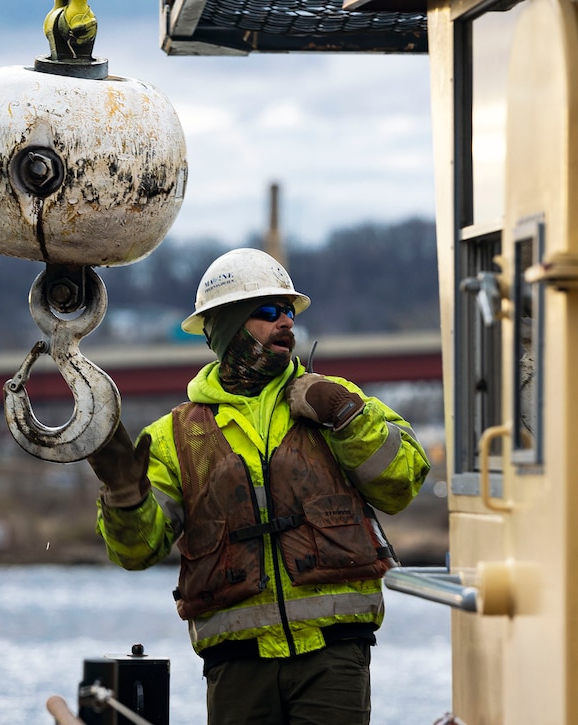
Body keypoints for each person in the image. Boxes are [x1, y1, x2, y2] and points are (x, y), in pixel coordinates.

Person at [87, 248, 431, 724]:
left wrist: (348, 415)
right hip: (237, 667)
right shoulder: (172, 438)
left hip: (333, 660)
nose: (285, 323)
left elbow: (403, 482)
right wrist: (125, 498)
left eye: (289, 311)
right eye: (267, 312)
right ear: (225, 327)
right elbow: (136, 551)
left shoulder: (336, 403)